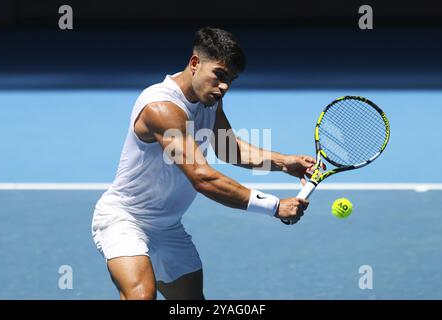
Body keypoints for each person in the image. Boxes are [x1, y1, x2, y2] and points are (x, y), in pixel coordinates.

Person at [91, 26, 316, 300]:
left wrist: (284, 162)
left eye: (230, 80)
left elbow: (228, 148)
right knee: (141, 296)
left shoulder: (209, 101)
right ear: (195, 63)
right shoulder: (161, 108)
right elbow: (202, 178)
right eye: (219, 75)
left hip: (168, 226)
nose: (224, 87)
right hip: (124, 219)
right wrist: (275, 206)